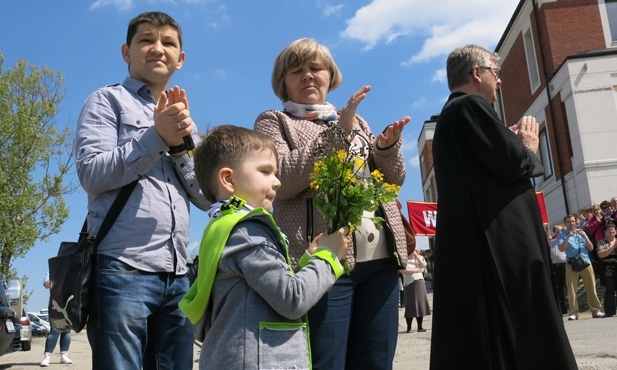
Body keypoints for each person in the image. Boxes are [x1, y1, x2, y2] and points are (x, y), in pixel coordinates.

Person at [254, 38, 409, 369]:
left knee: (375, 361)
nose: (308, 76)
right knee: (326, 362)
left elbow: (392, 183)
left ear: (330, 75)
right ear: (283, 81)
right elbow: (283, 179)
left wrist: (385, 149)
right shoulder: (274, 121)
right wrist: (339, 132)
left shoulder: (358, 122)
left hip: (380, 261)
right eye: (297, 70)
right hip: (323, 262)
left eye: (315, 68)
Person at [74, 11, 210, 369]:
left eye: (168, 43)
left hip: (179, 273)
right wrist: (155, 137)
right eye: (146, 40)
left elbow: (203, 195)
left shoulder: (186, 120)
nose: (157, 49)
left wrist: (180, 144)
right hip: (122, 268)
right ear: (126, 52)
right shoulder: (107, 101)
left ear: (181, 60)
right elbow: (91, 173)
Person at [430, 44, 577, 369]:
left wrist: (506, 141)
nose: (499, 82)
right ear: (476, 73)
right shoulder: (469, 106)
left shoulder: (455, 115)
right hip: (498, 249)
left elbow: (490, 165)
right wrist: (526, 146)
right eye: (495, 73)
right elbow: (513, 164)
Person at [178, 125, 349, 369]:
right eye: (266, 171)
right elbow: (291, 299)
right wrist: (328, 257)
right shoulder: (247, 231)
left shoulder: (227, 226)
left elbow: (263, 288)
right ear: (228, 179)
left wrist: (308, 260)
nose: (277, 182)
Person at [558, 214, 605, 320]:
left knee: (591, 287)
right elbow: (561, 249)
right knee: (572, 289)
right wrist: (567, 237)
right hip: (572, 264)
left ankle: (596, 310)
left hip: (585, 262)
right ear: (565, 224)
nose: (571, 223)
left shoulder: (581, 233)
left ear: (576, 222)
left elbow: (591, 248)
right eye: (569, 222)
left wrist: (584, 236)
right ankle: (573, 312)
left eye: (573, 221)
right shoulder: (563, 235)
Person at [40, 272, 72, 367]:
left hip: (68, 302)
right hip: (55, 302)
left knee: (67, 330)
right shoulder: (53, 268)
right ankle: (47, 356)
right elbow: (46, 284)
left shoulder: (71, 268)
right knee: (55, 330)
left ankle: (64, 355)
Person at [400, 249, 431, 333]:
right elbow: (404, 271)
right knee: (410, 305)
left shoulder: (419, 257)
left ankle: (420, 327)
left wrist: (416, 256)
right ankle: (409, 328)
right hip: (409, 283)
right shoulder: (403, 260)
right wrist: (417, 270)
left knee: (420, 305)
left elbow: (424, 265)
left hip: (419, 281)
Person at [596, 218, 617, 317]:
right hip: (608, 268)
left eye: (613, 229)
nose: (612, 231)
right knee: (610, 289)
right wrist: (612, 247)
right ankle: (609, 311)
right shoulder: (601, 242)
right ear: (605, 232)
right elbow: (601, 254)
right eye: (610, 230)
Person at [549, 225, 568, 315]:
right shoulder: (552, 242)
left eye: (560, 231)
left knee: (568, 287)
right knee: (558, 289)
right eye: (556, 231)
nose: (558, 233)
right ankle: (562, 310)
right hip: (555, 266)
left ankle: (572, 308)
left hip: (565, 265)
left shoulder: (565, 241)